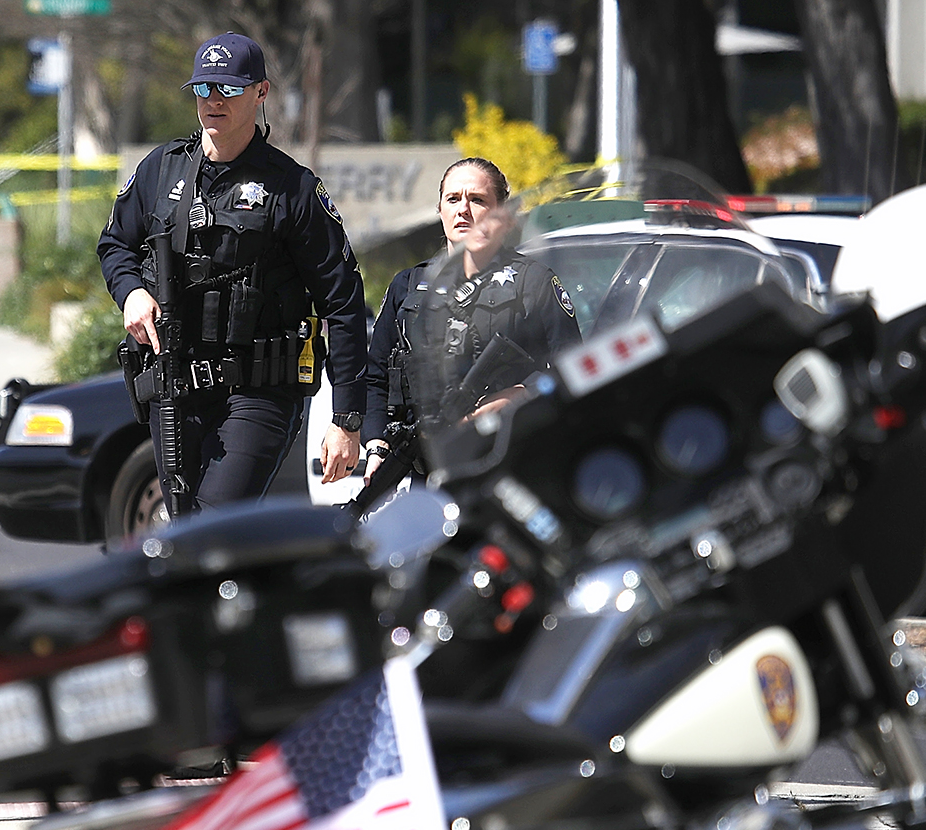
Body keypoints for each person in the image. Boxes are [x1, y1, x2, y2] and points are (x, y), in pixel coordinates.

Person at [97, 32, 367, 515]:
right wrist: (132, 292)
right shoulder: (162, 169)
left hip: (258, 390)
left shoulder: (293, 188)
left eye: (227, 89)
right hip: (173, 381)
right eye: (203, 89)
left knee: (214, 522)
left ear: (261, 92)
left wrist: (346, 417)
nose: (213, 101)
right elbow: (116, 243)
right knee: (183, 528)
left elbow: (342, 300)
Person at [362, 156, 579, 474]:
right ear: (440, 210)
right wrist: (377, 448)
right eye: (452, 199)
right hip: (423, 464)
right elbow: (375, 377)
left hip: (508, 461)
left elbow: (575, 370)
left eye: (477, 200)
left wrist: (519, 396)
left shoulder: (534, 283)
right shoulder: (407, 285)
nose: (463, 210)